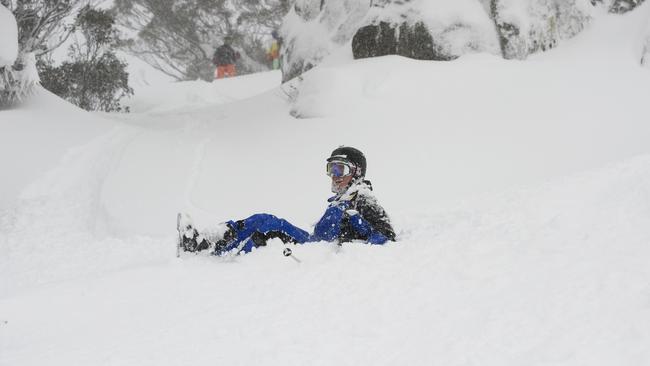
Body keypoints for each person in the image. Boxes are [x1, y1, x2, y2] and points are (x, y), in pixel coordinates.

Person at [178, 146, 396, 256]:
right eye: (332, 169)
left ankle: (211, 247)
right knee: (264, 225)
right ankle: (213, 243)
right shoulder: (343, 199)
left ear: (356, 172)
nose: (335, 175)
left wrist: (353, 235)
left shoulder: (364, 199)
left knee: (269, 224)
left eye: (341, 169)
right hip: (315, 244)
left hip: (317, 251)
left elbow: (386, 235)